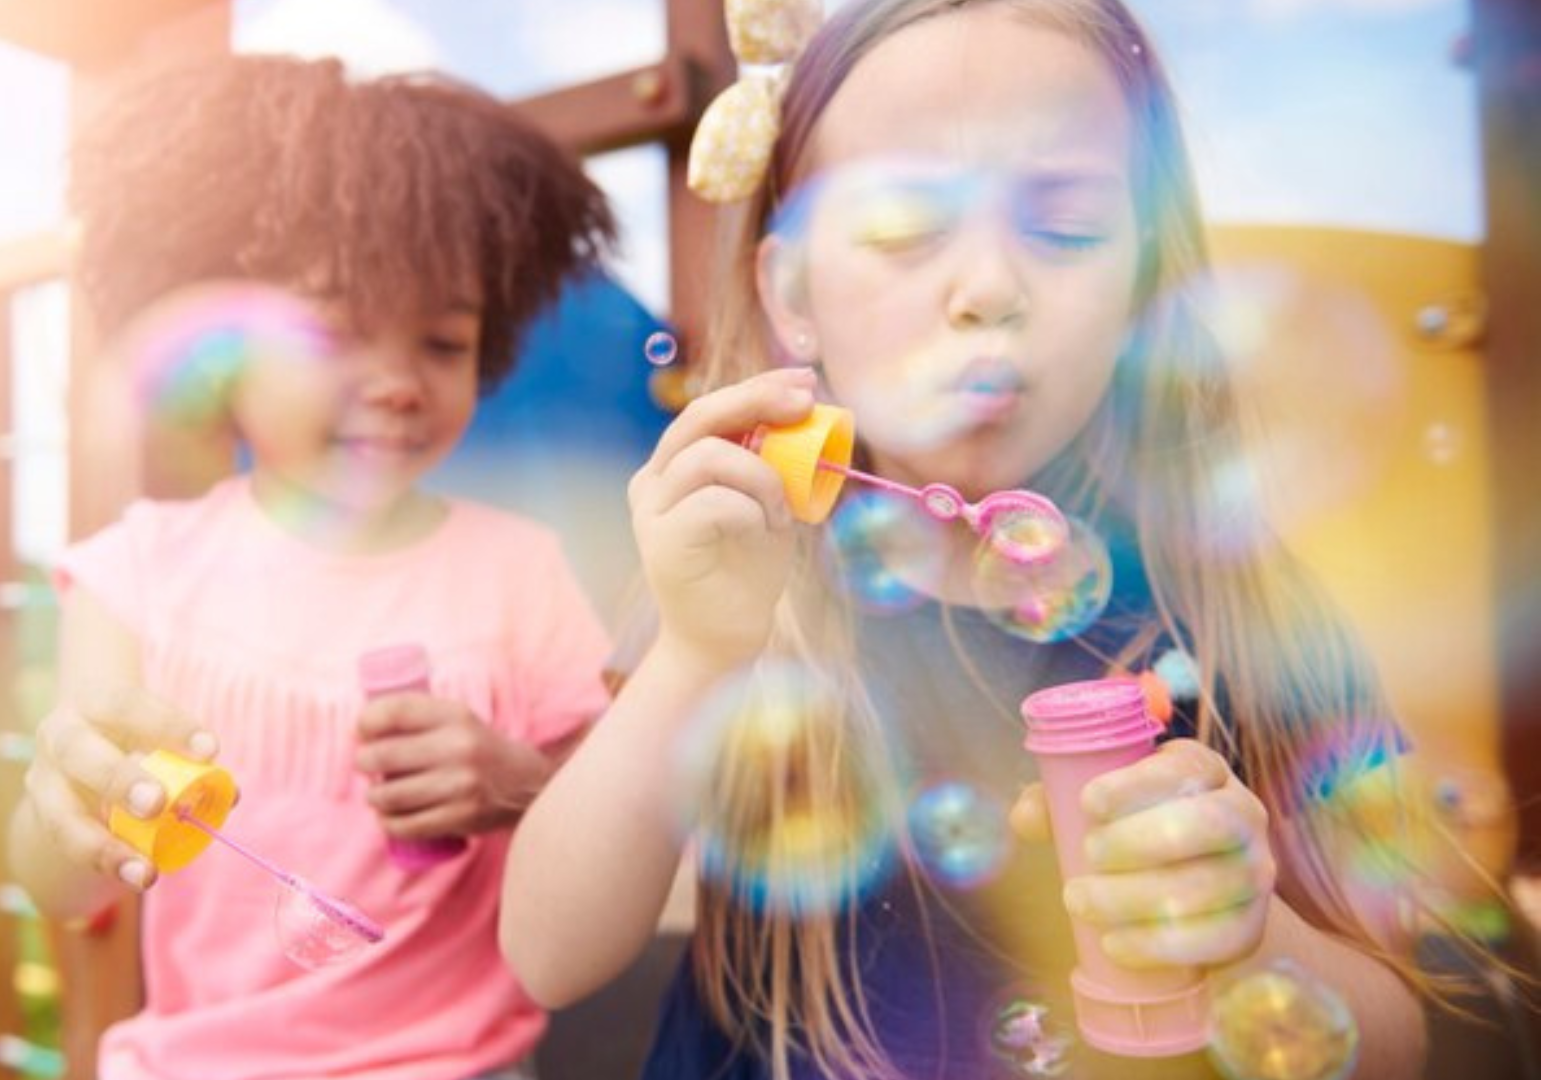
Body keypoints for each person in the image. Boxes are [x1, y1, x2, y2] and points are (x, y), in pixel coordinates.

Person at [501, 2, 1477, 1077]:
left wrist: (1254, 943)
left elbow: (1404, 1040)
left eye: (1064, 226)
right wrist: (692, 652)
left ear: (1143, 281)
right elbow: (549, 956)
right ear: (794, 294)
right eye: (904, 231)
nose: (989, 292)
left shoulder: (1243, 609)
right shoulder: (744, 573)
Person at [9, 54, 618, 1080]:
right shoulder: (139, 575)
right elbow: (66, 889)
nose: (393, 384)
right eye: (334, 331)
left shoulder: (520, 572)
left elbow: (616, 819)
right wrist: (66, 804)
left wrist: (521, 786)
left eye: (441, 340)